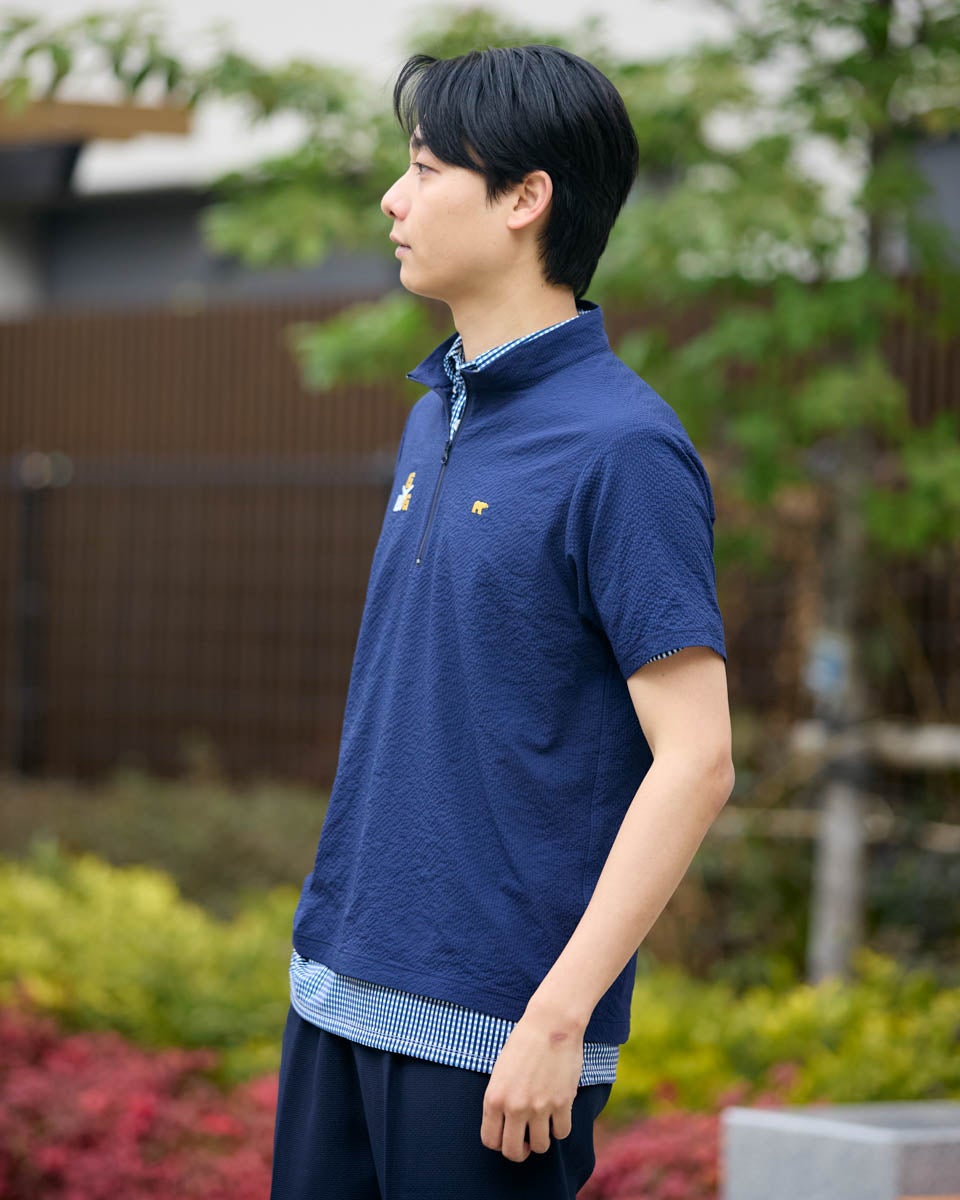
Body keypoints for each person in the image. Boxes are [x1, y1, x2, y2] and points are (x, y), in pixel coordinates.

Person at [270, 42, 734, 1200]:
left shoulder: (624, 448)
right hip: (337, 988)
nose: (394, 198)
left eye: (427, 170)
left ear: (527, 199)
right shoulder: (437, 411)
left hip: (497, 1038)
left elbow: (698, 759)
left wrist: (558, 1017)